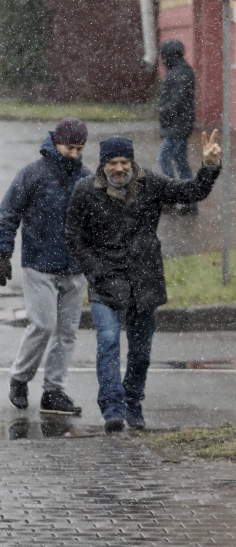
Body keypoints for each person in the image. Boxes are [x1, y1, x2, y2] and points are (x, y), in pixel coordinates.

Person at [66, 133, 222, 432]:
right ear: (103, 165)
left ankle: (133, 402)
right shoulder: (85, 190)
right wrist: (95, 270)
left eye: (125, 161)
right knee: (109, 341)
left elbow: (192, 192)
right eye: (113, 162)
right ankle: (112, 406)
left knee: (140, 350)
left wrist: (209, 166)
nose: (120, 168)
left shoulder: (151, 183)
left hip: (144, 279)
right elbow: (74, 236)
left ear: (132, 162)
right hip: (104, 281)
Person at [0, 119, 91, 416]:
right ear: (56, 143)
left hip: (75, 267)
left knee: (67, 332)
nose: (74, 153)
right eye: (70, 147)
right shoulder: (33, 174)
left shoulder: (86, 179)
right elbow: (8, 213)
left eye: (79, 148)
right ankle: (20, 377)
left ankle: (53, 390)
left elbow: (95, 223)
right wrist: (2, 253)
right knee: (43, 325)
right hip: (39, 264)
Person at [157, 39, 198, 214]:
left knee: (164, 159)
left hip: (178, 126)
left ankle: (172, 198)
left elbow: (178, 101)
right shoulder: (179, 71)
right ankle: (190, 203)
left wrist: (164, 110)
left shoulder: (181, 73)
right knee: (181, 163)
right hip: (178, 125)